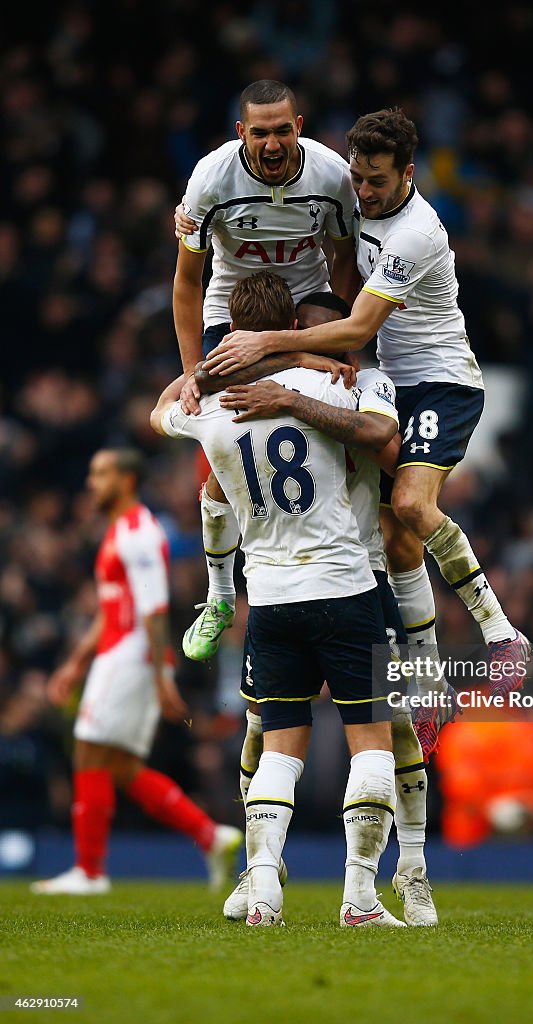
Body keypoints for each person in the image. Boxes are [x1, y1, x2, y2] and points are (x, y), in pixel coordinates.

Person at [200, 107, 531, 735]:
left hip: (442, 382)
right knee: (391, 536)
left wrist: (268, 343)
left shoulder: (418, 233)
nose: (365, 189)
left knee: (408, 504)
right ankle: (429, 686)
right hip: (393, 382)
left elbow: (357, 324)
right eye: (358, 176)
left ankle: (501, 632)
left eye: (378, 179)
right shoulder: (358, 200)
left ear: (408, 174)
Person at [151, 272, 405, 927]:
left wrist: (204, 372)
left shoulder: (208, 407)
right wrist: (298, 359)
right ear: (291, 325)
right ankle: (359, 898)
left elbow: (159, 413)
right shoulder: (333, 383)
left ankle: (263, 894)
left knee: (277, 751)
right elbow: (382, 440)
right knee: (371, 744)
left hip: (267, 599)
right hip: (345, 587)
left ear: (231, 331)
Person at [172, 78, 360, 659]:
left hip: (308, 301)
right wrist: (191, 375)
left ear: (298, 127)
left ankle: (361, 561)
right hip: (235, 305)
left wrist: (337, 340)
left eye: (283, 130)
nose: (273, 144)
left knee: (335, 420)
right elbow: (187, 281)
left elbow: (346, 259)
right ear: (242, 134)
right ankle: (221, 596)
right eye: (260, 133)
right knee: (220, 455)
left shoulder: (331, 176)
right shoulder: (211, 179)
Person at [31, 448, 243, 895]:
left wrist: (162, 672)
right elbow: (113, 607)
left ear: (127, 480)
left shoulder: (139, 532)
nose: (92, 483)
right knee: (122, 767)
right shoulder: (119, 530)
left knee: (89, 752)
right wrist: (77, 660)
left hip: (130, 658)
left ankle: (89, 872)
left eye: (101, 473)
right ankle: (210, 835)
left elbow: (153, 607)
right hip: (120, 653)